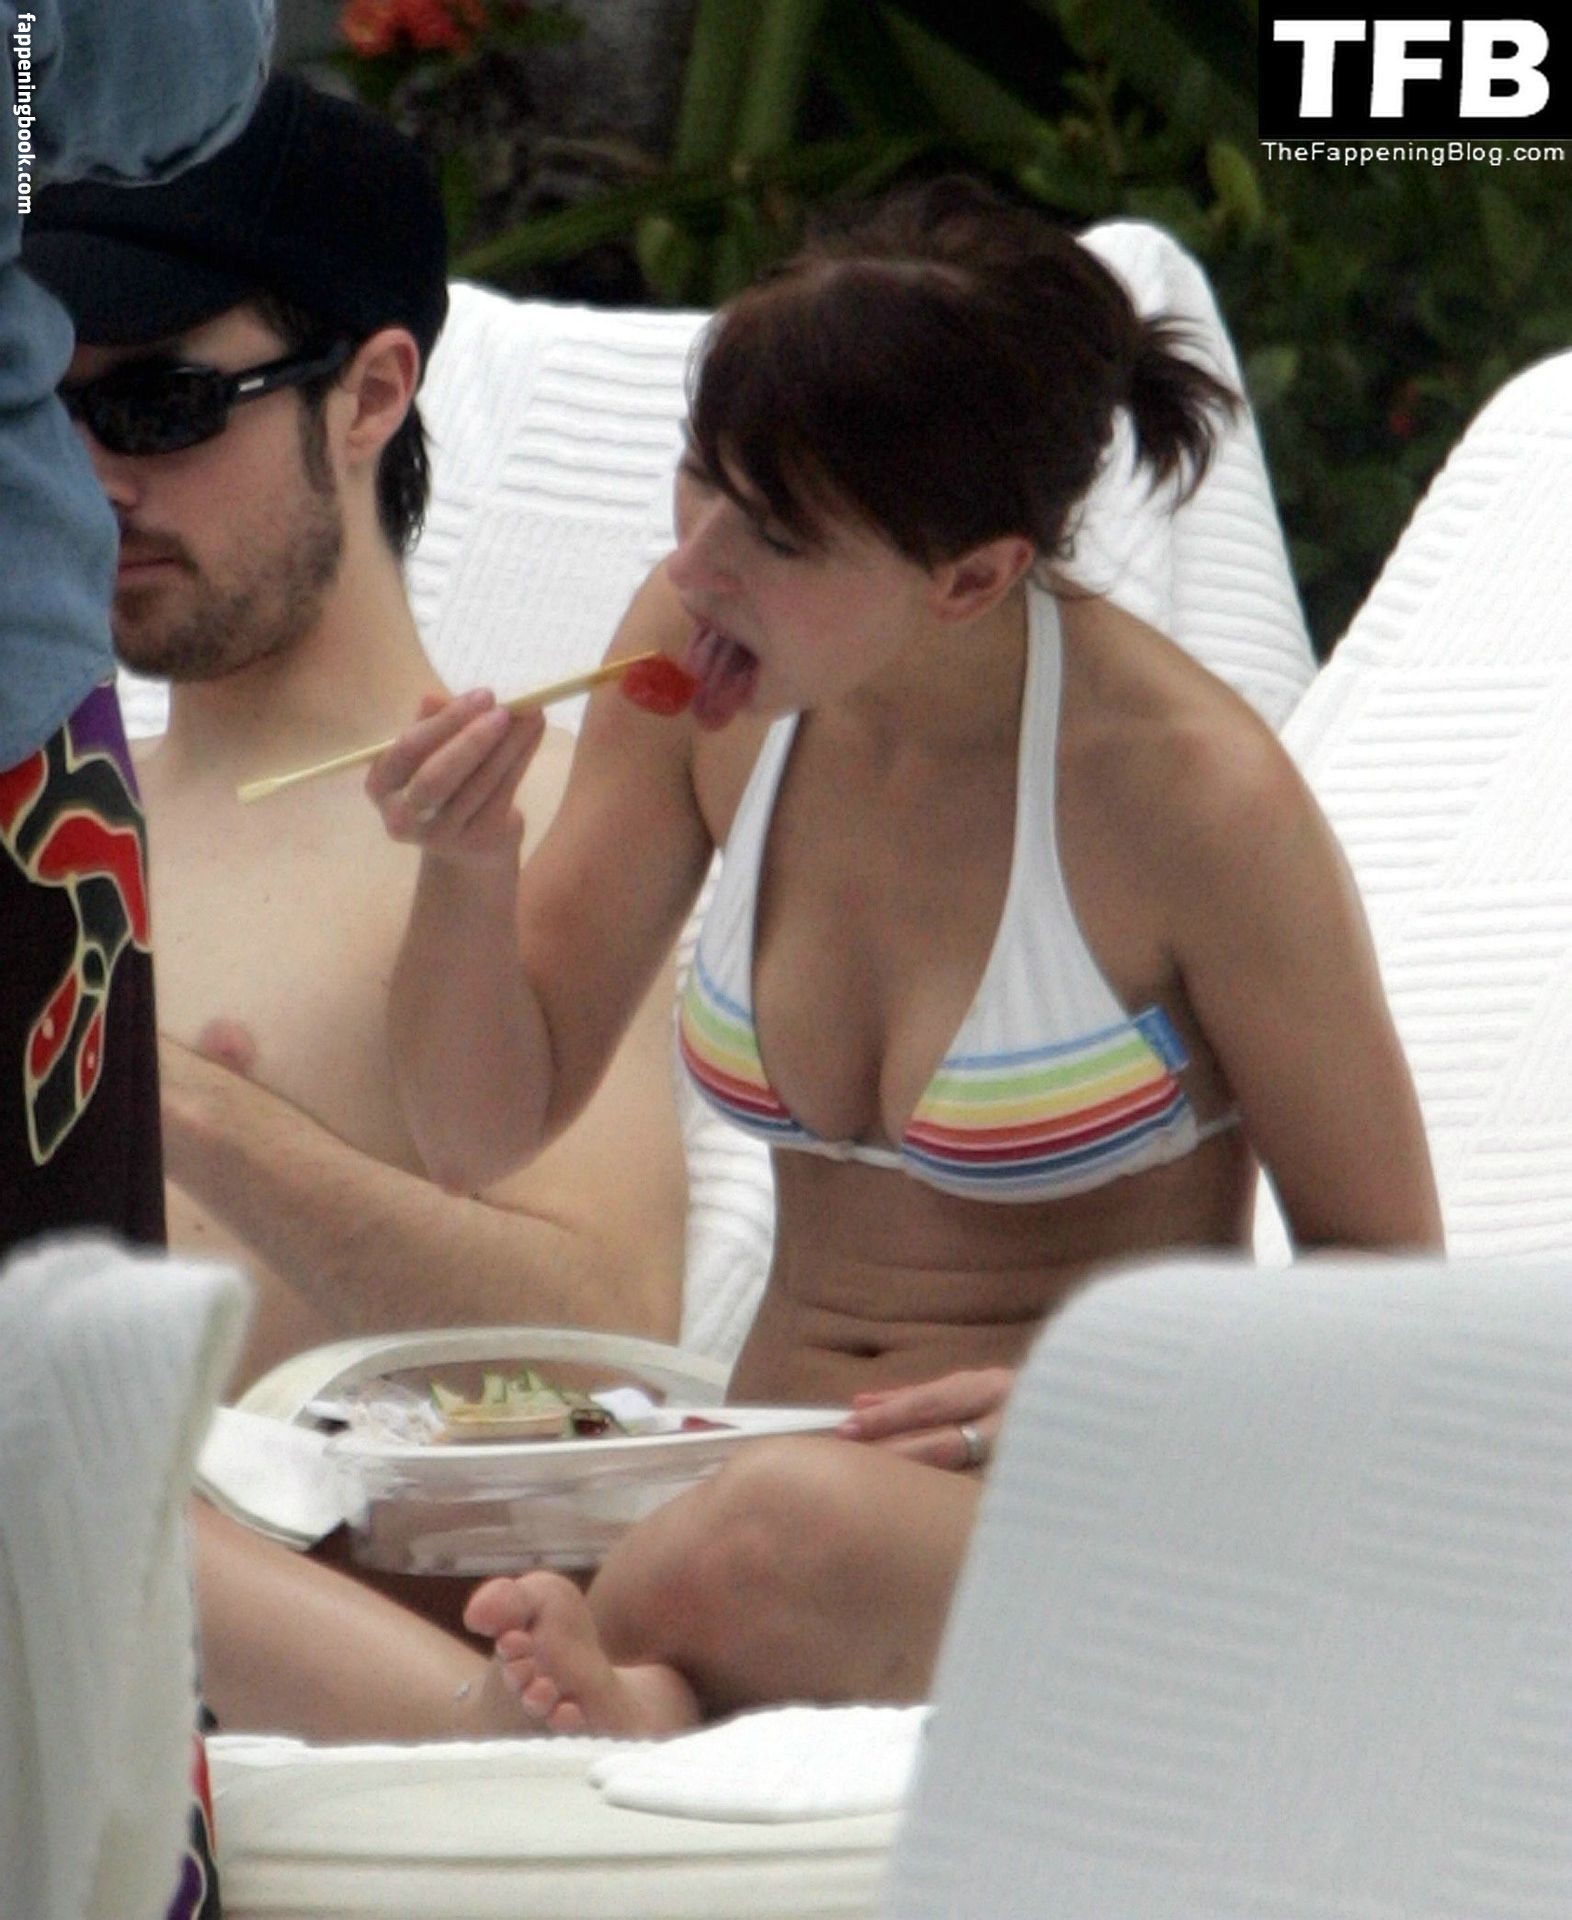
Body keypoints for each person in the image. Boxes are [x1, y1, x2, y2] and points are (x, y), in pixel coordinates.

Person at [366, 176, 1443, 1738]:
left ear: (973, 578)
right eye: (699, 477)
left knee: (774, 1529)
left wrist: (1115, 1395)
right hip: (753, 1483)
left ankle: (556, 1700)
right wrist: (466, 874)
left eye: (775, 533)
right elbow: (475, 1128)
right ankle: (633, 1689)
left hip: (1076, 1498)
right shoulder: (697, 669)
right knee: (313, 1501)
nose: (698, 562)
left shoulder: (1189, 796)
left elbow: (1388, 1286)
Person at [22, 73, 689, 1388]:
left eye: (161, 405)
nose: (93, 479)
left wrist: (170, 1102)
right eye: (46, 409)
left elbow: (609, 1349)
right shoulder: (37, 813)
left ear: (372, 396)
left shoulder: (530, 824)